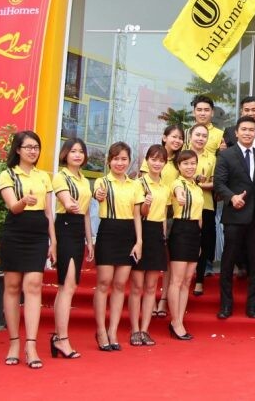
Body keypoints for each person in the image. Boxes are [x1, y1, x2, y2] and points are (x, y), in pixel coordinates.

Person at [0, 131, 54, 369]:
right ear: (18, 150)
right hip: (15, 231)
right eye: (28, 147)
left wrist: (53, 242)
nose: (33, 151)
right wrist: (23, 201)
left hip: (38, 233)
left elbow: (49, 213)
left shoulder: (44, 177)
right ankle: (14, 342)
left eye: (36, 147)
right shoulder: (8, 174)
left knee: (33, 285)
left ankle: (31, 345)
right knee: (12, 286)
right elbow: (13, 207)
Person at [213, 115, 255, 319]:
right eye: (244, 129)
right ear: (236, 133)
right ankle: (226, 305)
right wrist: (231, 197)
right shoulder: (226, 155)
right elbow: (219, 183)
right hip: (235, 216)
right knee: (229, 262)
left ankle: (252, 306)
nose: (247, 133)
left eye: (251, 130)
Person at [91, 141, 144, 352]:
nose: (120, 163)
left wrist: (139, 241)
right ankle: (101, 330)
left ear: (129, 161)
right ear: (109, 161)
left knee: (121, 284)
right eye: (116, 159)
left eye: (123, 159)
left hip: (128, 234)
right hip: (108, 232)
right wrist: (98, 195)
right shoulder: (102, 181)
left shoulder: (135, 185)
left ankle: (113, 331)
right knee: (104, 282)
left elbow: (137, 215)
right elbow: (98, 194)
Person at [50, 138, 93, 359]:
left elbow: (85, 212)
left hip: (78, 230)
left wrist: (89, 240)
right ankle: (62, 338)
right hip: (65, 227)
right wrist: (69, 203)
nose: (77, 155)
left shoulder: (84, 180)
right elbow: (67, 203)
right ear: (65, 154)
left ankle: (58, 336)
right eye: (73, 151)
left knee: (69, 285)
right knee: (66, 285)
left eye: (81, 151)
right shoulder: (61, 176)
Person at [128, 144, 169, 346]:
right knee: (137, 286)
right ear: (147, 160)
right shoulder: (138, 183)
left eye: (161, 160)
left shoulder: (165, 187)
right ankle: (134, 329)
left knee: (152, 286)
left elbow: (163, 216)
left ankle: (145, 329)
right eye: (153, 159)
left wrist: (163, 237)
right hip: (140, 232)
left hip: (157, 234)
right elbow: (139, 213)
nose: (157, 163)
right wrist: (139, 241)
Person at [146, 124, 184, 319]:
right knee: (153, 257)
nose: (176, 141)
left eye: (180, 138)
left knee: (169, 258)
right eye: (173, 137)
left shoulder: (180, 161)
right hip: (152, 212)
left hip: (173, 212)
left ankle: (163, 299)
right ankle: (151, 299)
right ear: (164, 137)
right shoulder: (154, 156)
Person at [167, 150, 205, 340]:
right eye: (185, 163)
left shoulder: (197, 188)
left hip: (194, 232)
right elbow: (178, 193)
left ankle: (179, 319)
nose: (190, 167)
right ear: (178, 166)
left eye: (192, 163)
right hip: (180, 229)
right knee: (177, 280)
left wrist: (199, 239)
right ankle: (175, 321)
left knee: (187, 280)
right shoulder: (177, 183)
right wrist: (180, 197)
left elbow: (200, 217)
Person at [188, 118, 222, 296]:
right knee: (186, 243)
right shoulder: (183, 155)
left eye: (204, 136)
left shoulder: (212, 158)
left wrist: (199, 184)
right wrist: (196, 182)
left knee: (203, 243)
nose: (200, 138)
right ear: (190, 136)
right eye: (197, 135)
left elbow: (216, 183)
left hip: (206, 205)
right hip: (185, 206)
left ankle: (199, 280)